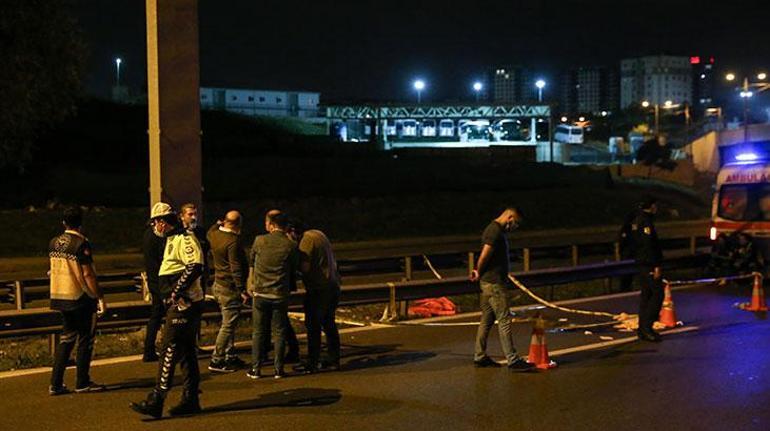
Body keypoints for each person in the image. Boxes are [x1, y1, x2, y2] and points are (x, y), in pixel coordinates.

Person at [130, 205, 205, 418]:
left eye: (156, 222)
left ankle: (157, 400)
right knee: (188, 353)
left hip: (184, 305)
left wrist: (175, 292)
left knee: (169, 348)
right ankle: (191, 400)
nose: (154, 226)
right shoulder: (171, 239)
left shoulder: (184, 238)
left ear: (164, 221)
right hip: (183, 303)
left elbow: (195, 266)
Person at [48, 206, 107, 395]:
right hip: (80, 297)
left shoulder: (54, 243)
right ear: (81, 223)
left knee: (66, 340)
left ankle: (55, 384)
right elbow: (88, 273)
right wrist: (99, 297)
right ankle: (82, 381)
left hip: (60, 296)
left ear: (63, 223)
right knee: (85, 340)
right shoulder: (81, 243)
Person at [469, 207, 534, 372]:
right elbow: (485, 254)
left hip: (488, 283)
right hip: (494, 283)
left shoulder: (495, 230)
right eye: (516, 224)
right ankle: (512, 360)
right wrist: (478, 270)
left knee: (487, 320)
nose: (515, 228)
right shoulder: (495, 231)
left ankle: (479, 356)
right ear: (510, 217)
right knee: (504, 320)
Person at [247, 211, 299, 379]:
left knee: (258, 332)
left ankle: (255, 369)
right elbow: (295, 267)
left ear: (271, 225)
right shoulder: (290, 245)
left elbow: (252, 260)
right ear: (285, 227)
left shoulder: (259, 240)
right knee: (280, 332)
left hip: (260, 293)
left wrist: (251, 282)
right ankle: (279, 369)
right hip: (279, 294)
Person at [289, 220, 342, 373]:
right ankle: (333, 359)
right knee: (328, 323)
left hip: (319, 288)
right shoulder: (318, 234)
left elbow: (304, 268)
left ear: (293, 232)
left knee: (312, 324)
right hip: (333, 284)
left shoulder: (306, 240)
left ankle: (312, 361)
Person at [207, 210, 250, 373]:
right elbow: (236, 267)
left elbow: (210, 231)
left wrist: (217, 224)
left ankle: (229, 355)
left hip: (217, 284)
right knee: (228, 325)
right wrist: (242, 289)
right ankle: (217, 359)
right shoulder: (233, 241)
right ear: (238, 224)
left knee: (229, 323)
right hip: (229, 288)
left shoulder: (214, 235)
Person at [141, 203, 173, 362]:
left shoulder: (154, 235)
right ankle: (154, 349)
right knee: (160, 316)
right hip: (159, 283)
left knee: (157, 315)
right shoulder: (152, 238)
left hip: (158, 283)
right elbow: (158, 263)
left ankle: (151, 349)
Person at [631, 197, 664, 342]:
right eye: (655, 205)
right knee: (657, 294)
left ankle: (642, 329)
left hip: (640, 262)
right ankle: (647, 327)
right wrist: (656, 265)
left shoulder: (636, 219)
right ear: (651, 206)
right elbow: (649, 245)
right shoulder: (646, 222)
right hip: (648, 263)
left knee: (646, 295)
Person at [618, 206, 640, 292]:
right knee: (626, 274)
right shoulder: (627, 228)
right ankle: (625, 288)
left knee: (629, 274)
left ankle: (627, 287)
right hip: (627, 253)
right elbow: (623, 241)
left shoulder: (635, 227)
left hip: (632, 253)